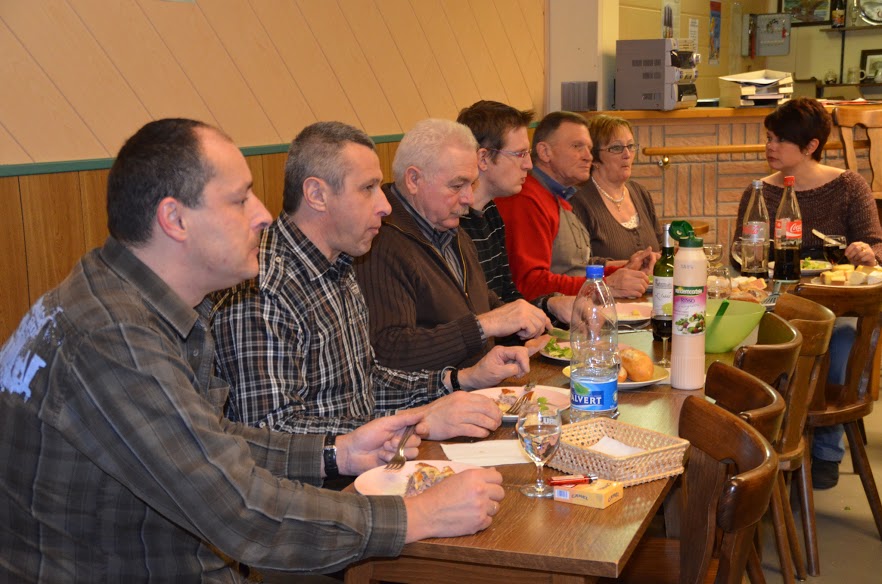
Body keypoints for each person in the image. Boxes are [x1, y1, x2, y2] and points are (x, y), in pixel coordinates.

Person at [0, 119, 505, 582]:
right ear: (174, 219)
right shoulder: (112, 337)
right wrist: (418, 515)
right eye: (240, 200)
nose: (263, 216)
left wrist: (337, 451)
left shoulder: (130, 302)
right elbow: (239, 510)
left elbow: (211, 437)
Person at [212, 121, 530, 438]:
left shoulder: (339, 262)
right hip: (323, 482)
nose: (385, 205)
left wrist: (459, 380)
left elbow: (366, 384)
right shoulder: (263, 287)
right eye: (368, 188)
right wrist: (419, 421)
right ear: (316, 194)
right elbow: (272, 434)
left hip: (363, 462)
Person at [732, 97, 882, 490]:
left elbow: (875, 246)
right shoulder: (759, 191)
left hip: (838, 304)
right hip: (777, 302)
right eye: (768, 137)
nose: (770, 146)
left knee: (841, 338)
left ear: (811, 146)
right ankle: (759, 445)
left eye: (780, 139)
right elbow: (740, 255)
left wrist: (866, 252)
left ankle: (825, 450)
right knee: (748, 342)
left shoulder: (848, 185)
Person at [354, 118, 550, 371]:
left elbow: (477, 302)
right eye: (457, 185)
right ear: (413, 180)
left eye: (472, 184)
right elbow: (390, 350)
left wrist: (524, 329)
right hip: (429, 402)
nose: (468, 198)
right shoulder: (380, 243)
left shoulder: (446, 225)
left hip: (475, 387)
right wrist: (485, 326)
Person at [494, 111, 655, 301]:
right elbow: (529, 284)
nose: (588, 157)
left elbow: (574, 269)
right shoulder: (526, 200)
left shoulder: (558, 196)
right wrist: (606, 284)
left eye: (589, 148)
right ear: (545, 152)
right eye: (577, 147)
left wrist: (625, 269)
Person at [456, 100, 575, 327]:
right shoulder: (453, 224)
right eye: (520, 154)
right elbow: (471, 320)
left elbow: (506, 298)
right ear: (483, 159)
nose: (529, 164)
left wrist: (549, 304)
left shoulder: (491, 212)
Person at [570, 114, 662, 262]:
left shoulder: (641, 193)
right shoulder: (579, 202)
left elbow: (660, 246)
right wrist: (629, 266)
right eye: (616, 148)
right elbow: (578, 264)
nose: (627, 154)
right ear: (594, 157)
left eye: (631, 146)